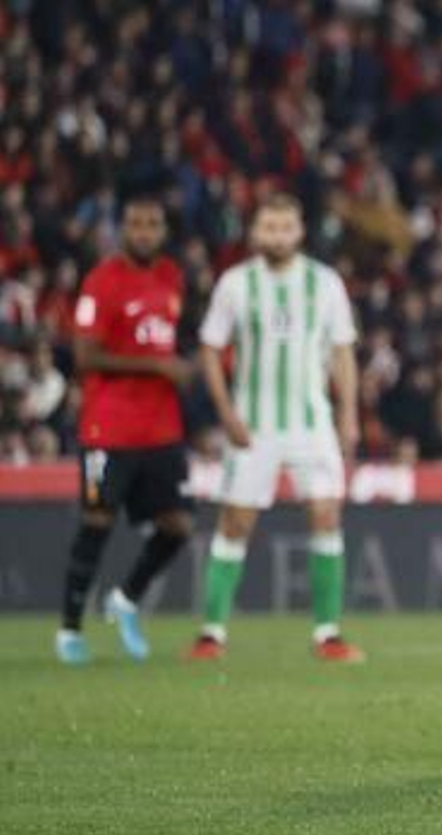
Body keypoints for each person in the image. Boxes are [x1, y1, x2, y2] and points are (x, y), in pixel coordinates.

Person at [188, 193, 364, 663]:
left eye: (286, 227)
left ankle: (327, 634)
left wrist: (348, 414)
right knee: (235, 521)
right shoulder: (235, 284)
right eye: (269, 227)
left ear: (300, 231)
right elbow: (209, 348)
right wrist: (226, 413)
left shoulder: (324, 284)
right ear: (254, 231)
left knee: (326, 515)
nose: (277, 235)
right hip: (254, 424)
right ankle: (212, 634)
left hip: (312, 423)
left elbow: (343, 351)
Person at [55, 194, 194, 664]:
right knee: (97, 522)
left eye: (153, 224)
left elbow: (169, 341)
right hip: (107, 428)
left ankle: (126, 599)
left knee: (178, 527)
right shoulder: (102, 282)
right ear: (122, 229)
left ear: (163, 230)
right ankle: (70, 631)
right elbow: (86, 356)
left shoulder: (172, 278)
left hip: (160, 430)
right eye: (135, 224)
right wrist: (158, 367)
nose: (144, 232)